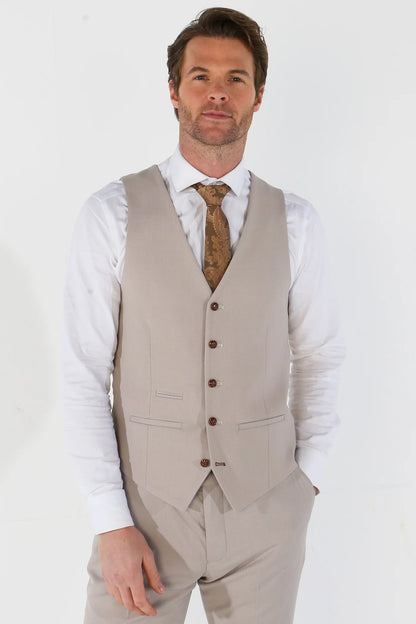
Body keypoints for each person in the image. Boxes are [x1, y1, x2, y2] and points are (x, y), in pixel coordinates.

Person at [62, 7, 345, 624]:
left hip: (266, 515)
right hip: (146, 516)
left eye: (236, 78)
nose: (218, 92)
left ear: (258, 97)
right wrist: (111, 521)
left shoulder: (297, 222)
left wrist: (306, 482)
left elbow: (320, 356)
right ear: (174, 91)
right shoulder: (112, 214)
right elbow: (82, 373)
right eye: (201, 76)